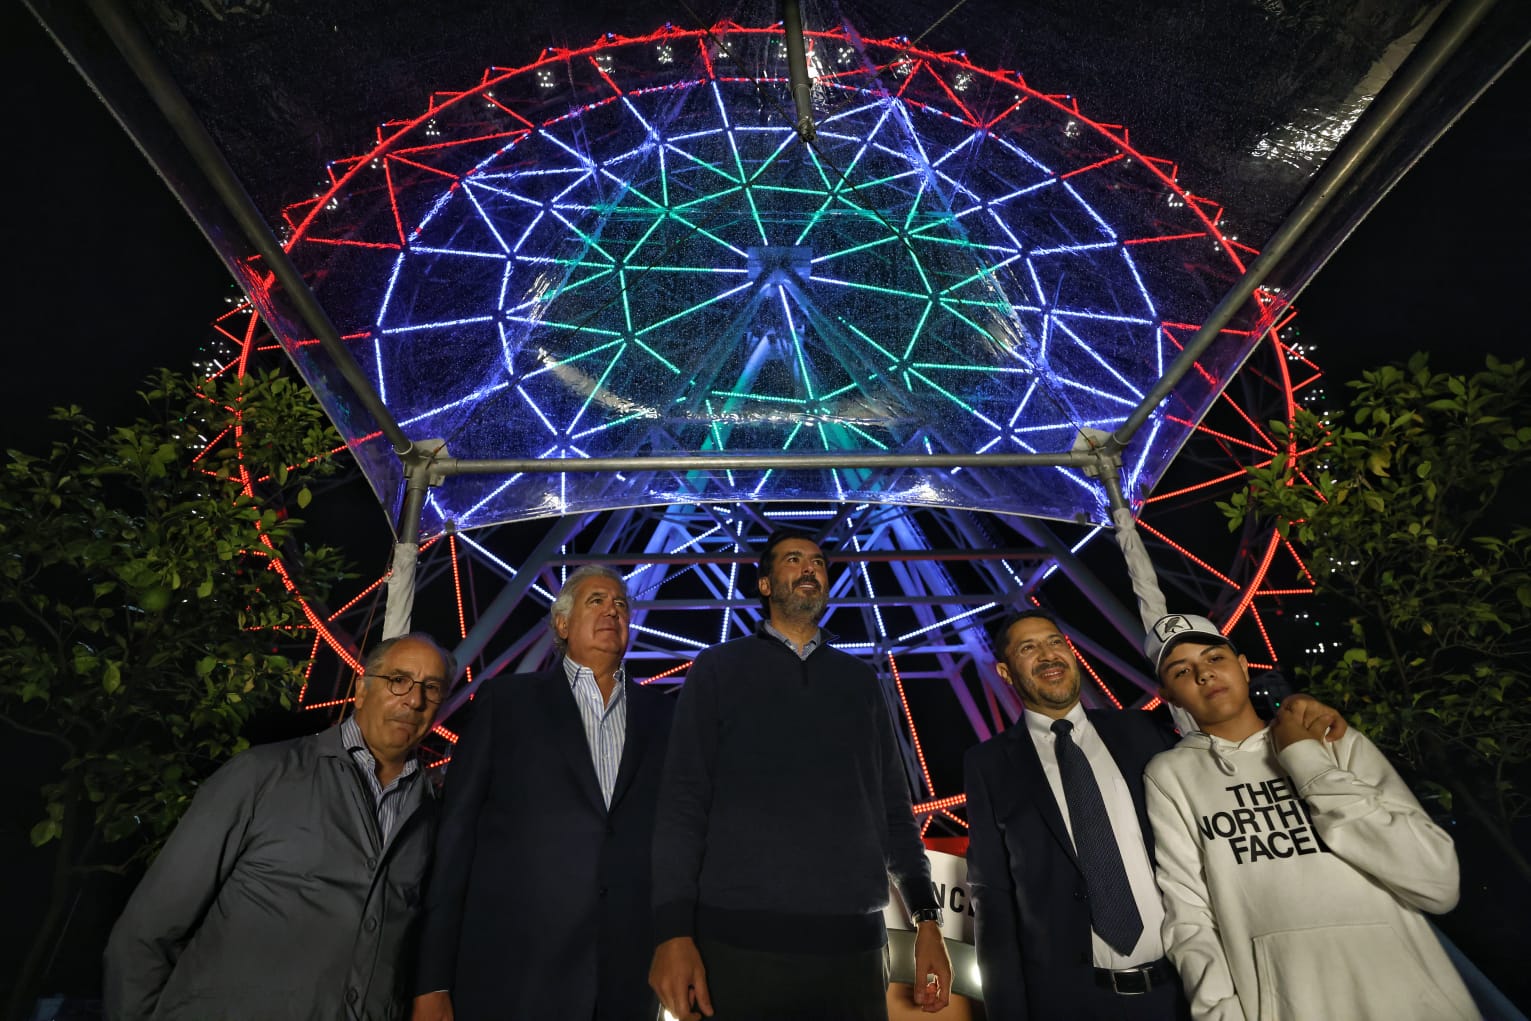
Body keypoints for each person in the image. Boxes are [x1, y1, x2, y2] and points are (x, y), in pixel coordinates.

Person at [649, 530, 952, 1021]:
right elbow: (684, 804)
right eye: (794, 560)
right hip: (736, 944)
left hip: (853, 950)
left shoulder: (860, 682)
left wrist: (927, 921)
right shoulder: (717, 670)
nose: (811, 568)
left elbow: (895, 811)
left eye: (819, 562)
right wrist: (672, 931)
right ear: (765, 584)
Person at [1142, 612, 1477, 1020]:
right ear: (1169, 695)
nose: (1204, 675)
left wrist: (1305, 759)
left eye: (1215, 659)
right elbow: (1189, 913)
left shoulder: (1330, 738)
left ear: (1245, 667)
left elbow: (1437, 883)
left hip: (1411, 999)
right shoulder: (1170, 776)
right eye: (1182, 671)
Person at [103, 632, 452, 1020]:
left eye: (432, 688)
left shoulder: (431, 819)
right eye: (399, 680)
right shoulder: (261, 775)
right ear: (361, 690)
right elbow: (146, 933)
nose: (414, 700)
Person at [411, 566, 673, 1021]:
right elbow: (455, 840)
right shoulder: (506, 703)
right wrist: (432, 980)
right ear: (561, 624)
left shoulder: (667, 715)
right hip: (515, 972)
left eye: (622, 605)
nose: (613, 611)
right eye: (596, 601)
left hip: (625, 978)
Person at [963, 609, 1189, 1021]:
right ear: (1005, 671)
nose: (1048, 655)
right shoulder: (988, 765)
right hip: (1071, 1003)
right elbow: (993, 895)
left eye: (1055, 642)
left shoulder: (1142, 731)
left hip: (1180, 991)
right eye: (1028, 648)